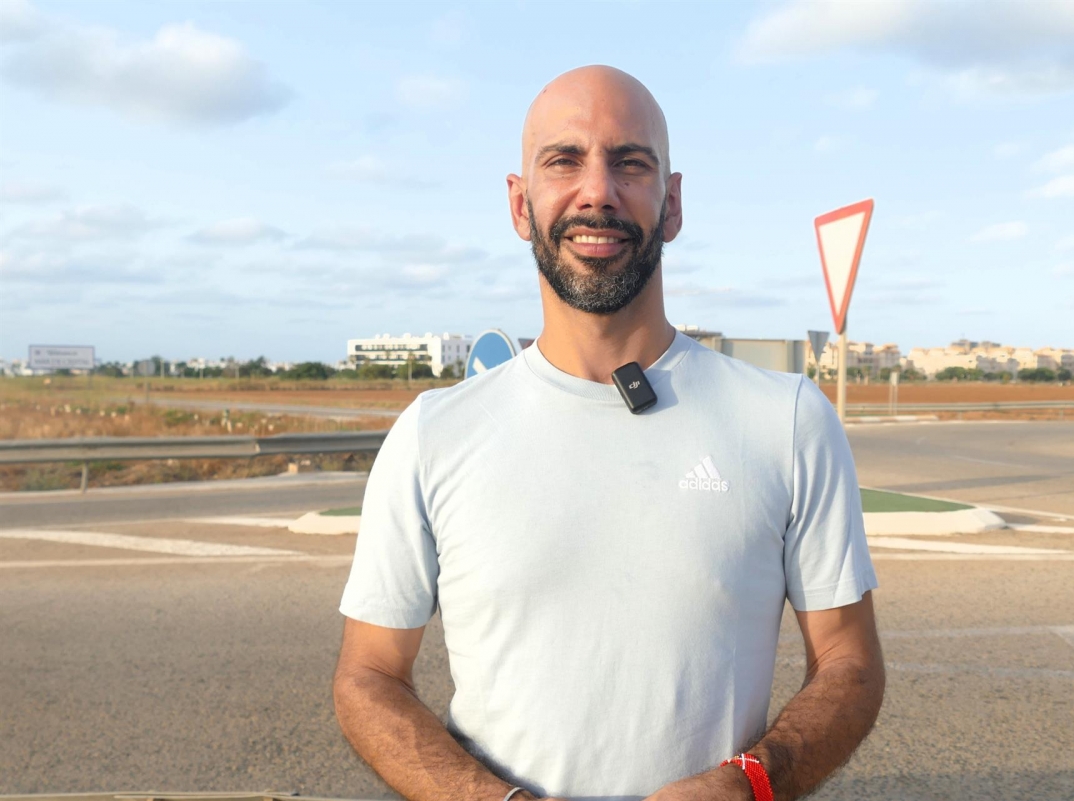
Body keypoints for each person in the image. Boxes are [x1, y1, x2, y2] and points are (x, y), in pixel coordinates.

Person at [333, 65, 884, 801]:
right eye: (564, 160)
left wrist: (751, 781)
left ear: (674, 202)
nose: (598, 191)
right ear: (520, 204)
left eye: (630, 162)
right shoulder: (434, 434)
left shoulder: (786, 419)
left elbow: (849, 660)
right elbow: (368, 675)